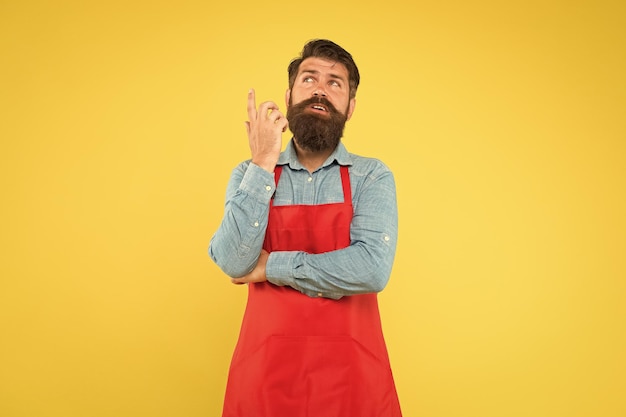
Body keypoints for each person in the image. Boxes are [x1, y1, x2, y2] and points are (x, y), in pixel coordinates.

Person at [209, 39, 401, 417]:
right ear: (289, 95)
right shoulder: (250, 175)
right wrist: (263, 162)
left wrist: (270, 267)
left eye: (335, 83)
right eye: (309, 78)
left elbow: (372, 268)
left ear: (350, 107)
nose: (320, 89)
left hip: (354, 379)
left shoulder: (370, 176)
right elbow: (233, 261)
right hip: (265, 377)